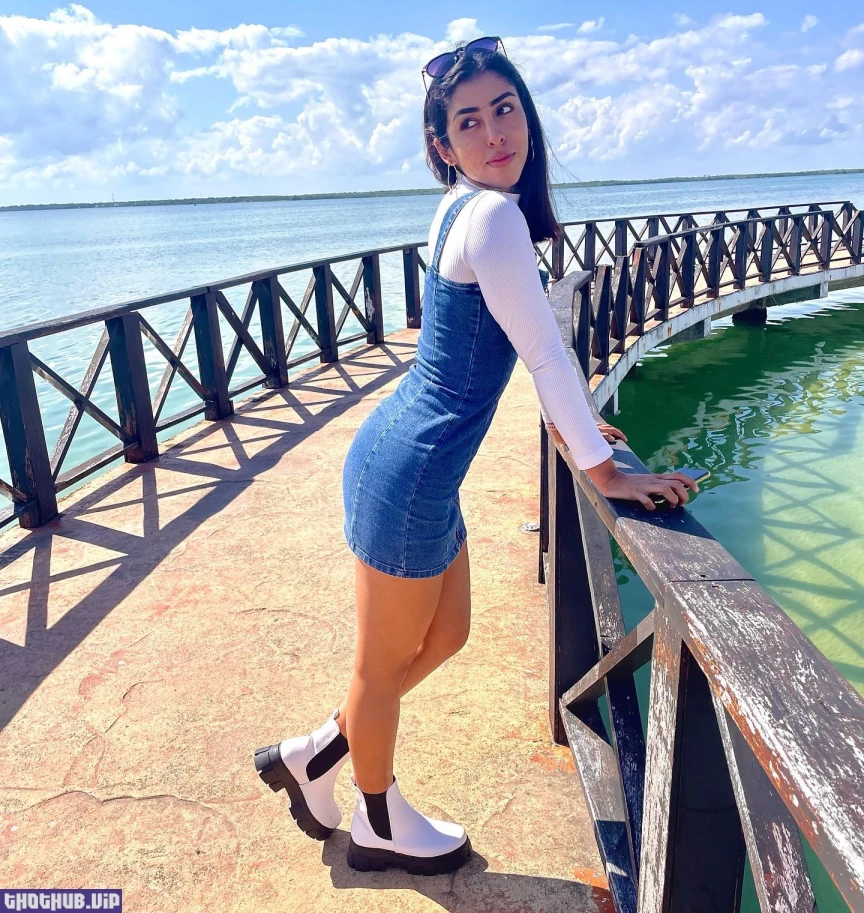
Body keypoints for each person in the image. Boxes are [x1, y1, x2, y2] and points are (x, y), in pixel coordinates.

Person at [254, 36, 697, 876]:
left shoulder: (467, 206)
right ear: (443, 145)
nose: (496, 132)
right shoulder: (491, 217)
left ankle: (316, 754)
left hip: (414, 464)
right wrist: (605, 470)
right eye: (470, 121)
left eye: (506, 109)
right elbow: (544, 354)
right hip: (411, 474)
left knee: (447, 634)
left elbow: (530, 347)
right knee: (380, 667)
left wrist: (582, 426)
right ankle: (376, 822)